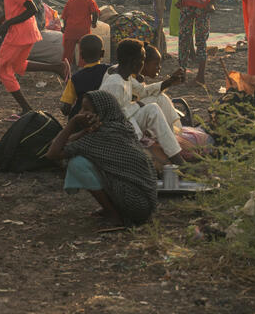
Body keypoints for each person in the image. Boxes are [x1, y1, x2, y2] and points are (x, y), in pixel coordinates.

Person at [45, 89, 158, 226]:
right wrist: (84, 131)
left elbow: (52, 153)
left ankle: (114, 215)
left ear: (100, 113)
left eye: (86, 109)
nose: (81, 113)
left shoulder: (101, 137)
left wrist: (73, 123)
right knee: (94, 164)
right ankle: (112, 209)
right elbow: (59, 145)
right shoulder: (122, 126)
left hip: (134, 205)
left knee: (77, 163)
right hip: (143, 204)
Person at [0, 0, 68, 113]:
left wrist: (8, 23)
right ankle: (57, 67)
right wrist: (4, 18)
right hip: (26, 30)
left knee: (3, 69)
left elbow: (31, 9)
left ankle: (26, 108)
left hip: (19, 32)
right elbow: (18, 7)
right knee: (18, 65)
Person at [99, 38, 189, 168]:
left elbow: (142, 91)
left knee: (153, 108)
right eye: (142, 60)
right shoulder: (115, 83)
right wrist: (136, 106)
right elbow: (114, 117)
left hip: (127, 122)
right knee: (149, 110)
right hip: (116, 132)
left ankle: (176, 155)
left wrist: (169, 82)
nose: (143, 63)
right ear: (135, 62)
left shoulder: (126, 77)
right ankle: (161, 153)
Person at [59, 34, 111, 118]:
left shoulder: (75, 78)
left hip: (82, 121)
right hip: (104, 118)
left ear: (81, 55)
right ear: (102, 53)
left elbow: (66, 109)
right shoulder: (110, 71)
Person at [61, 0, 100, 67]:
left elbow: (65, 18)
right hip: (83, 31)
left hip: (70, 31)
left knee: (68, 51)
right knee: (84, 49)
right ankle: (82, 66)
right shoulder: (89, 1)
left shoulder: (70, 1)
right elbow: (95, 13)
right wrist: (94, 23)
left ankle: (67, 66)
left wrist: (64, 28)